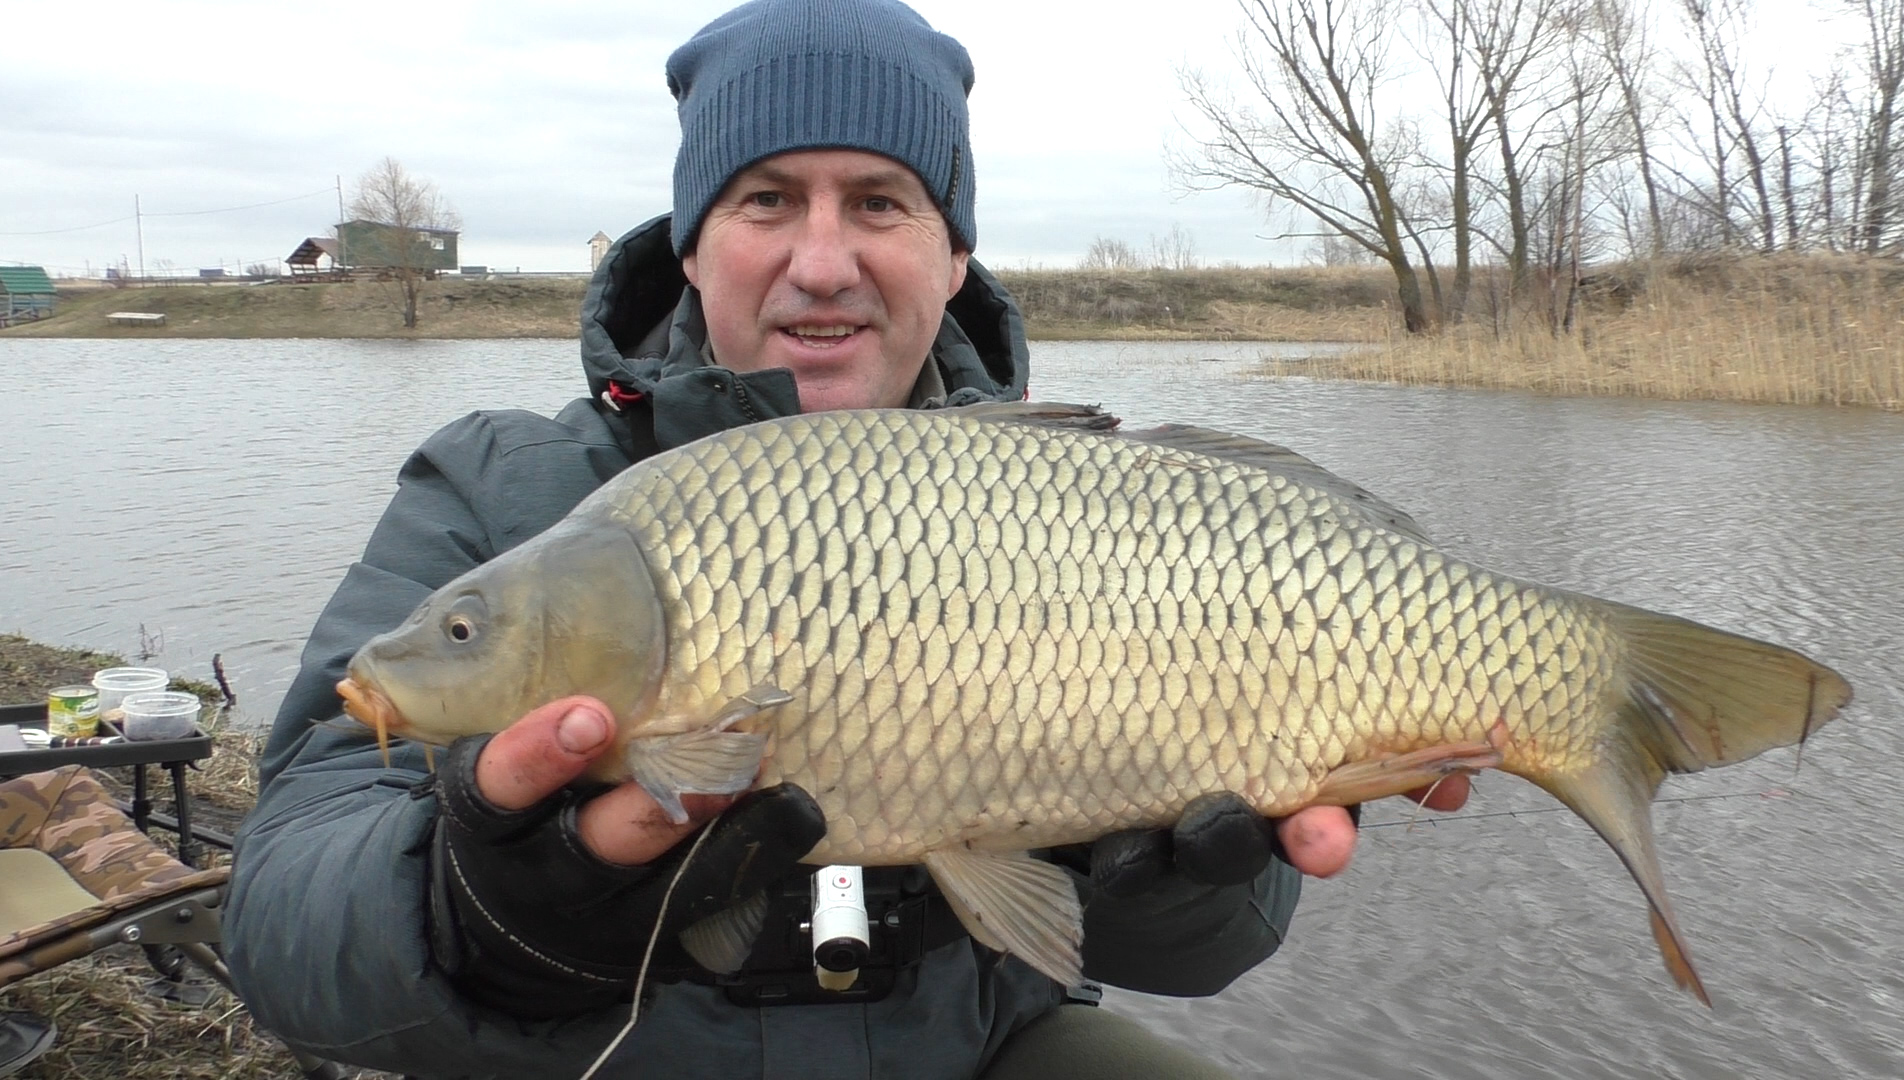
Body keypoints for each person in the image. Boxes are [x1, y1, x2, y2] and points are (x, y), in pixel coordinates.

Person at [224, 1, 1468, 1077]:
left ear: (953, 250)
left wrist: (1164, 876)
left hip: (972, 1052)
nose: (823, 264)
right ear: (693, 243)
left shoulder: (1097, 500)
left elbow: (1214, 952)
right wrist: (483, 912)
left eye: (880, 201)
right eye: (767, 200)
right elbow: (283, 915)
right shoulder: (510, 490)